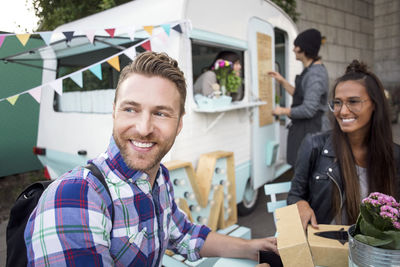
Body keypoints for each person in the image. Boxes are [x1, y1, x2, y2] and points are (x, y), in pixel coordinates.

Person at [24, 51, 277, 266]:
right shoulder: (76, 197)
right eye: (131, 109)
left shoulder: (159, 178)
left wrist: (255, 247)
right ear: (114, 112)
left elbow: (184, 235)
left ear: (179, 124)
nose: (144, 128)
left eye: (161, 113)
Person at [287, 60, 400, 230]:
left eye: (353, 101)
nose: (343, 111)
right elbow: (295, 194)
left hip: (374, 251)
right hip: (326, 245)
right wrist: (301, 205)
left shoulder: (394, 155)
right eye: (337, 102)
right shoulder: (314, 145)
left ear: (375, 105)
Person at [268, 28, 329, 166]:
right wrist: (282, 81)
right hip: (304, 129)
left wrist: (282, 111)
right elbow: (301, 95)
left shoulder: (315, 75)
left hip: (311, 130)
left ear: (303, 49)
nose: (293, 49)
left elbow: (308, 109)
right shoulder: (310, 71)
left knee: (307, 171)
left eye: (296, 46)